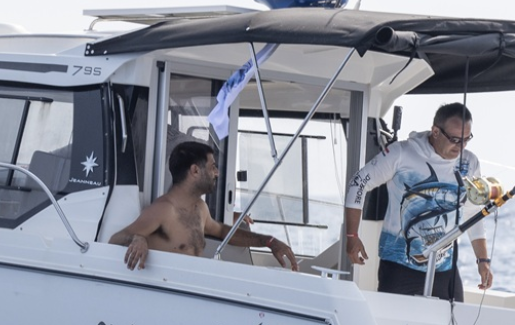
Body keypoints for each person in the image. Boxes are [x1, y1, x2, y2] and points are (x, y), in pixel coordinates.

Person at [344, 102, 493, 300]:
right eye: (455, 139)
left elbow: (472, 211)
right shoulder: (402, 153)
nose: (461, 147)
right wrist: (352, 235)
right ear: (436, 132)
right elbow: (358, 183)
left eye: (467, 139)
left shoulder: (470, 162)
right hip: (399, 266)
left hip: (445, 268)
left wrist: (482, 260)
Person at [111, 141, 299, 271]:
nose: (217, 173)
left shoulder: (200, 208)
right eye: (212, 167)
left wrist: (268, 241)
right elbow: (115, 238)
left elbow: (222, 232)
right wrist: (138, 239)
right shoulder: (164, 210)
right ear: (194, 170)